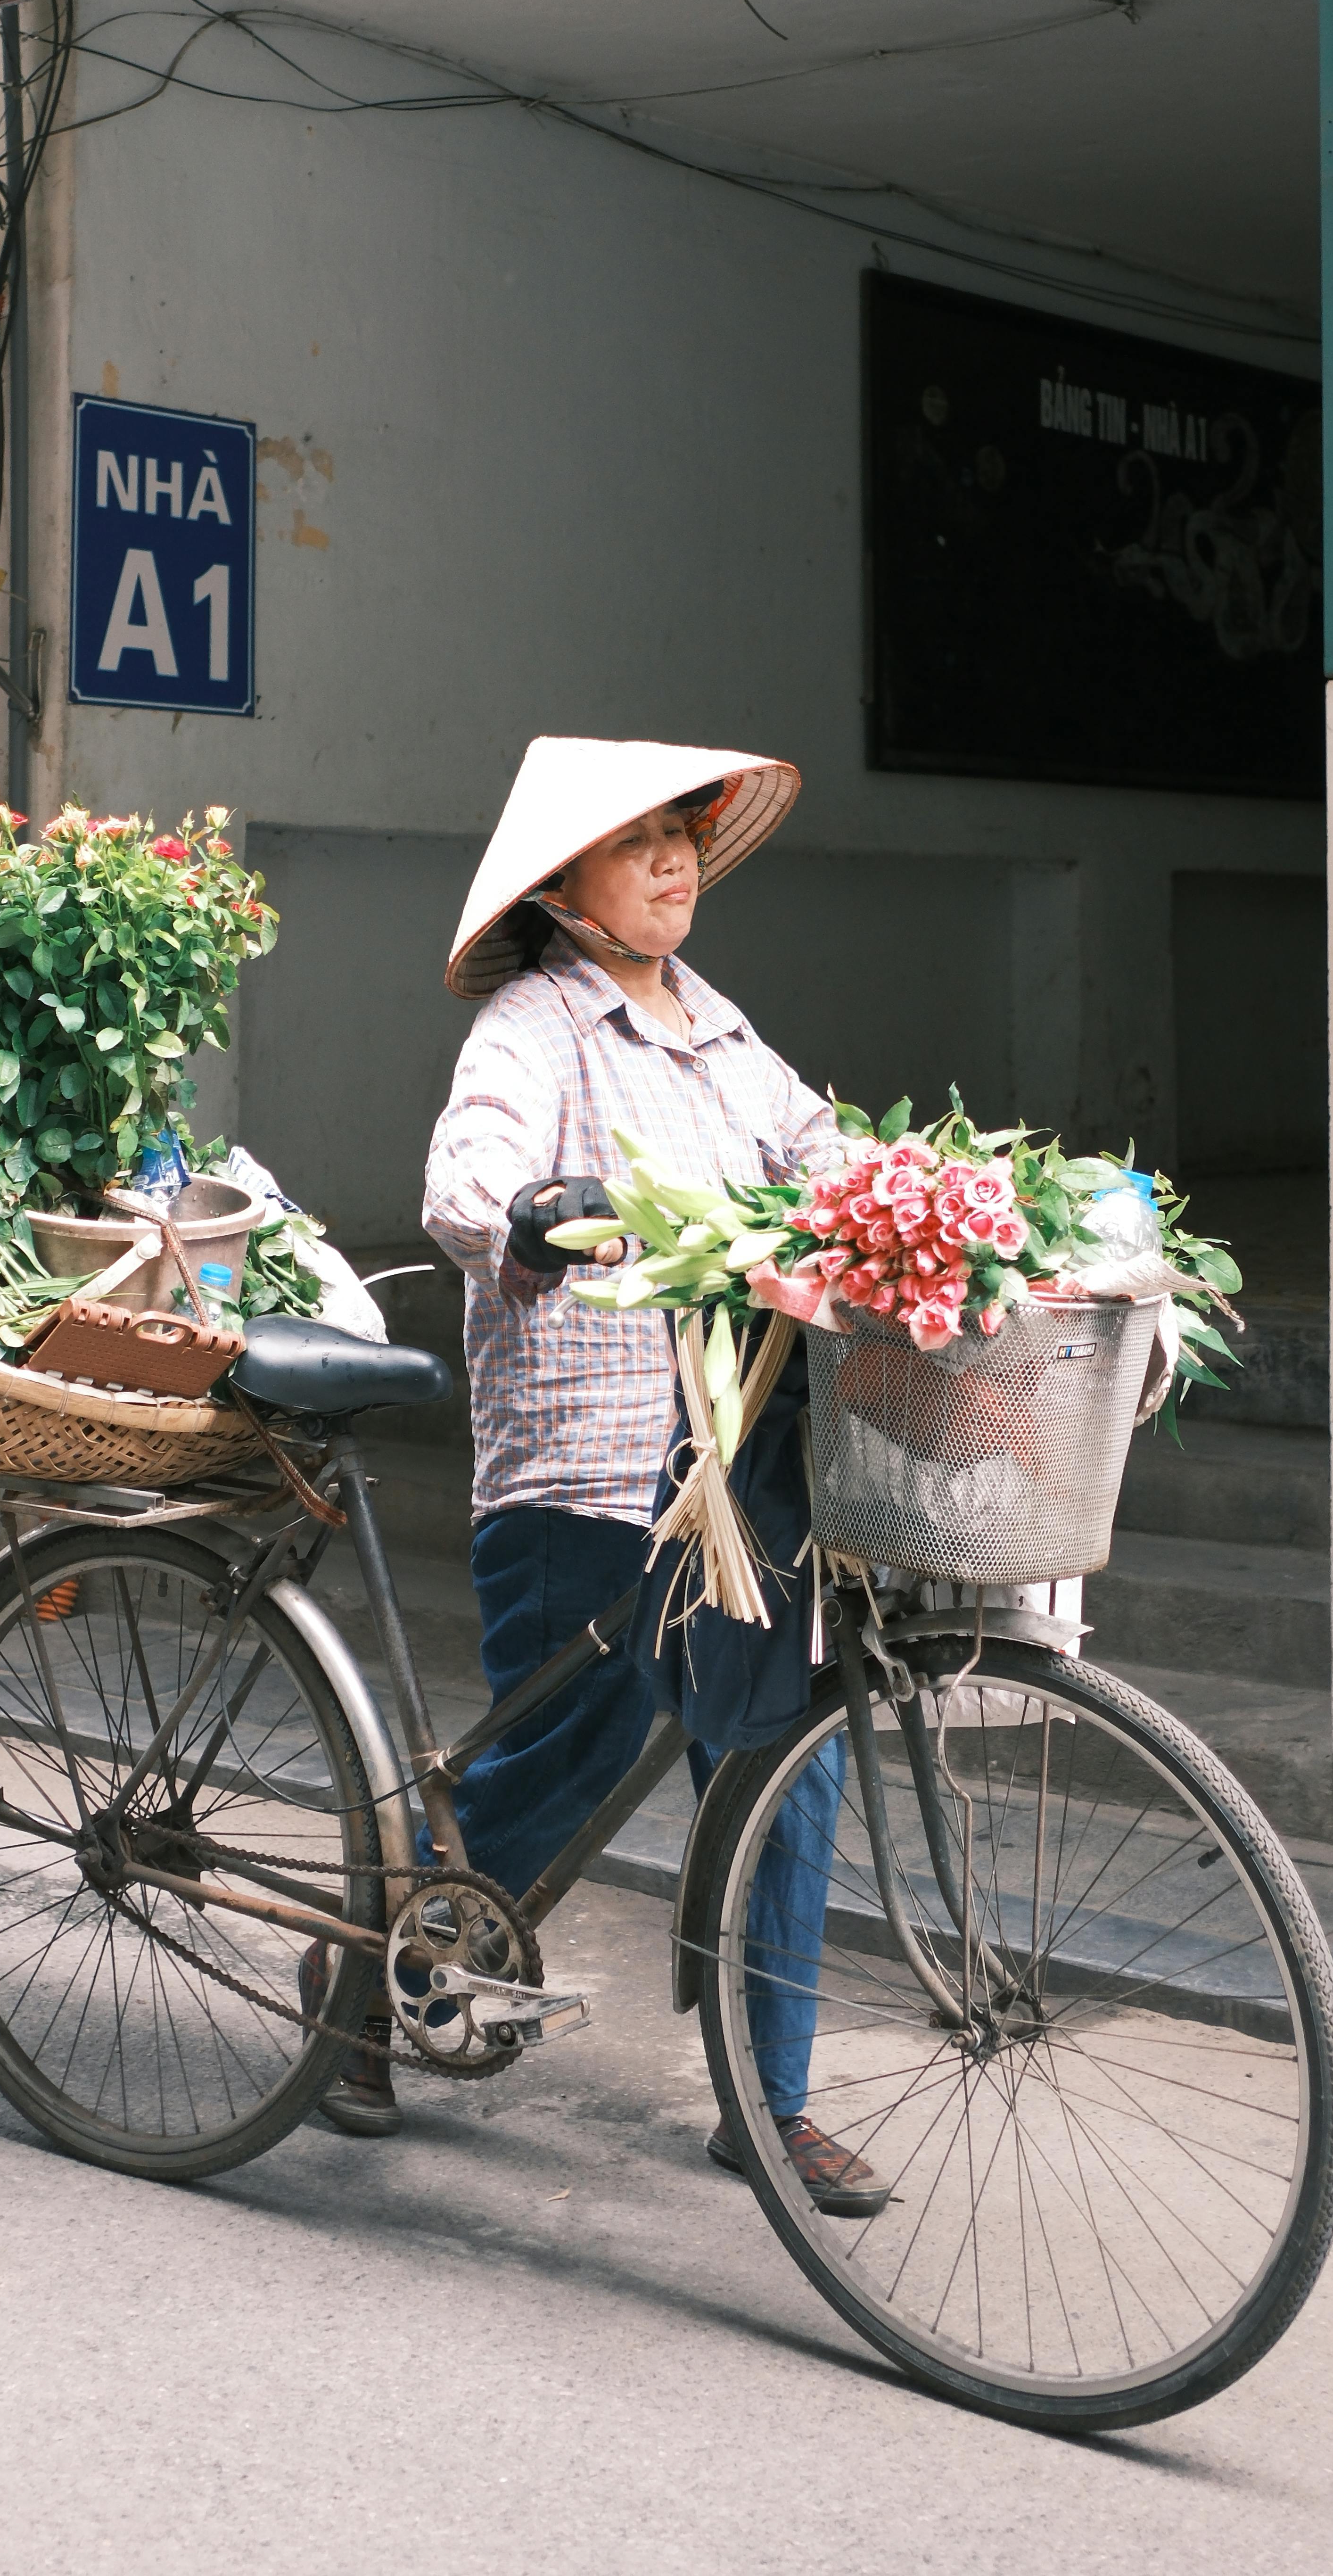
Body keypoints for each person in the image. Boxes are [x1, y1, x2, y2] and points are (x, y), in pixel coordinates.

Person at [396, 735, 881, 2213]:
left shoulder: (724, 1034)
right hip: (590, 1472)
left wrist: (923, 1209)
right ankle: (373, 1961)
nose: (674, 861)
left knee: (795, 1749)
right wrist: (530, 1216)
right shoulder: (534, 1024)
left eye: (683, 836)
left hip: (736, 1469)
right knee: (566, 1758)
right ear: (566, 885)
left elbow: (826, 1153)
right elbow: (461, 1182)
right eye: (639, 842)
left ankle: (772, 2101)